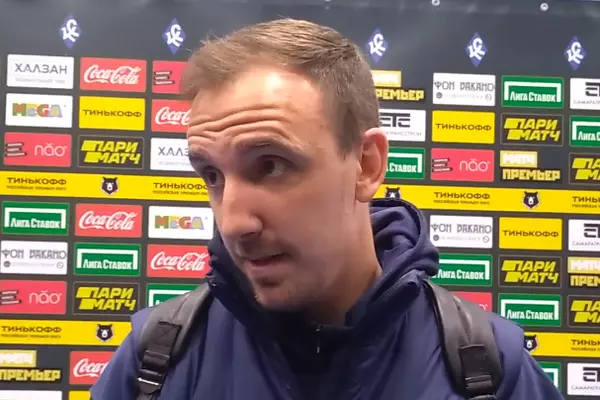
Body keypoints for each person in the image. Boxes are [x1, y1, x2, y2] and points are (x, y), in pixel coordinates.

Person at [91, 18, 564, 400]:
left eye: (270, 165)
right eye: (212, 175)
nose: (232, 223)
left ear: (366, 165)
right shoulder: (154, 359)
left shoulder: (489, 368)